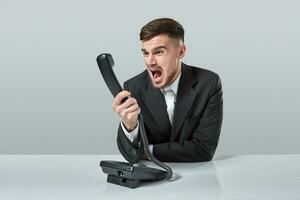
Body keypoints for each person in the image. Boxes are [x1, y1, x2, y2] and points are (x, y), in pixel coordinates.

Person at [112, 18, 223, 162]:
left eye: (158, 52)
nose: (150, 62)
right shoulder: (133, 88)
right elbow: (130, 153)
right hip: (150, 181)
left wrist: (147, 151)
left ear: (181, 52)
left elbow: (204, 149)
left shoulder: (208, 83)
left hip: (198, 177)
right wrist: (129, 126)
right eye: (145, 53)